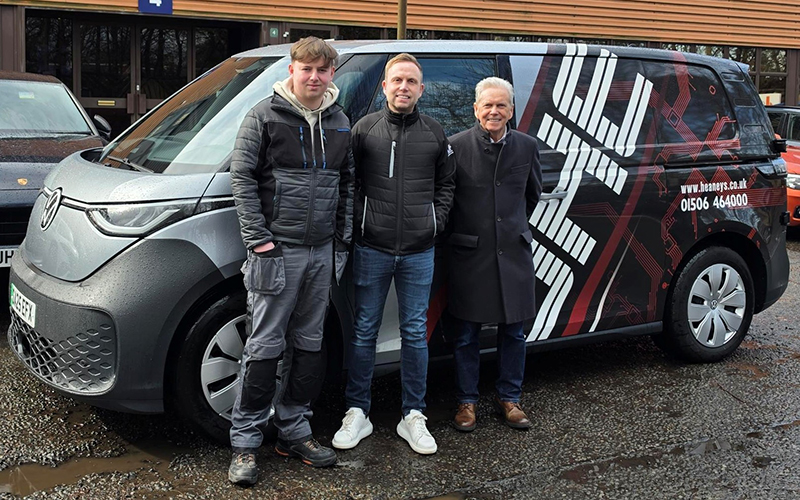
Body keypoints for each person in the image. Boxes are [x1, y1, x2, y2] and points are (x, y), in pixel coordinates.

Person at [227, 36, 354, 486]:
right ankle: (245, 442)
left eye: (323, 70)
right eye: (307, 69)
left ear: (331, 74)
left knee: (310, 344)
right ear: (293, 71)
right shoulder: (264, 115)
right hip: (276, 252)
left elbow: (347, 184)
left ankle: (294, 430)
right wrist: (259, 241)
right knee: (263, 346)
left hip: (322, 251)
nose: (315, 77)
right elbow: (240, 178)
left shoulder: (340, 121)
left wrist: (340, 241)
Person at [332, 53, 456, 455]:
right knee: (365, 329)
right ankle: (357, 412)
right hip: (372, 247)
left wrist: (435, 222)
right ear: (384, 87)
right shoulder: (363, 130)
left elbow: (447, 185)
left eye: (411, 81)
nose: (404, 87)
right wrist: (360, 225)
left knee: (415, 333)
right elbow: (348, 184)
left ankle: (413, 415)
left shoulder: (436, 133)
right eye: (396, 80)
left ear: (422, 89)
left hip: (420, 250)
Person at [446, 77, 542, 432]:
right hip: (470, 256)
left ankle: (509, 398)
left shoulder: (527, 147)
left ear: (511, 110)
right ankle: (466, 402)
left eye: (501, 105)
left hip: (513, 254)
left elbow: (531, 195)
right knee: (467, 334)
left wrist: (510, 226)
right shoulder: (455, 147)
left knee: (514, 332)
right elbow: (448, 202)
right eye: (487, 105)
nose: (494, 111)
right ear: (475, 109)